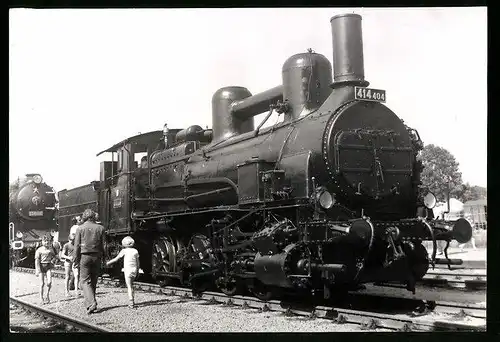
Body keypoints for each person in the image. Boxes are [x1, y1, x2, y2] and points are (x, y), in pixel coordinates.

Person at [74, 209, 105, 314]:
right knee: (93, 280)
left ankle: (91, 303)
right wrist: (104, 258)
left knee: (84, 281)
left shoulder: (80, 228)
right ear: (93, 217)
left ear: (84, 217)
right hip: (97, 256)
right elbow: (103, 245)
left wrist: (75, 259)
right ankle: (90, 304)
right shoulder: (101, 228)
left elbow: (77, 246)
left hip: (84, 256)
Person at [106, 236, 140, 308]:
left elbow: (116, 259)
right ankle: (132, 301)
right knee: (132, 286)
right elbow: (138, 263)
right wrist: (137, 271)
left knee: (129, 286)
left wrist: (108, 263)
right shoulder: (135, 251)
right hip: (134, 270)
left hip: (127, 270)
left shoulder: (124, 251)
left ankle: (131, 303)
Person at [34, 235, 56, 304]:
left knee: (49, 282)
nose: (46, 243)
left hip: (48, 266)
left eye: (48, 241)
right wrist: (37, 270)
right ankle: (41, 297)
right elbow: (37, 260)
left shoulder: (50, 249)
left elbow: (55, 256)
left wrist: (53, 261)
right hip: (41, 266)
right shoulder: (39, 250)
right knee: (42, 283)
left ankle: (47, 295)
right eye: (45, 241)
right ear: (42, 242)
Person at [60, 233, 80, 297]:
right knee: (67, 276)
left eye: (74, 239)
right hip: (68, 262)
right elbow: (62, 255)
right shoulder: (66, 245)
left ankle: (76, 291)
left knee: (76, 276)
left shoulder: (77, 245)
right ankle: (66, 291)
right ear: (69, 239)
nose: (73, 241)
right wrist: (69, 258)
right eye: (71, 239)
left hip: (75, 262)